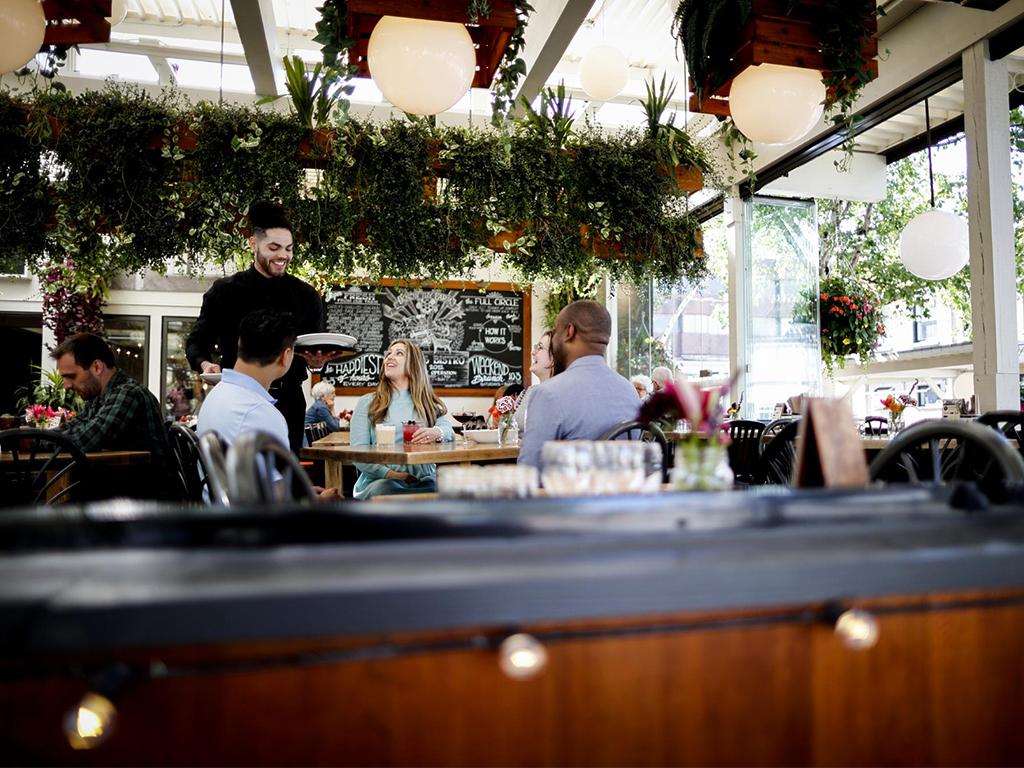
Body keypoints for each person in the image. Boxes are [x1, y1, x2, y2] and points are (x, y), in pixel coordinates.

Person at [186, 202, 324, 454]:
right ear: (253, 244)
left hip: (288, 400)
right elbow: (197, 342)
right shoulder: (225, 292)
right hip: (237, 398)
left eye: (289, 249)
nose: (283, 255)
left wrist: (316, 361)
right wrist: (205, 364)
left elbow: (313, 346)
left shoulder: (306, 296)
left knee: (283, 474)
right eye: (274, 247)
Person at [198, 310, 339, 501]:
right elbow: (277, 503)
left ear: (240, 344)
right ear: (286, 355)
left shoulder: (216, 394)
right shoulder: (260, 412)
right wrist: (318, 502)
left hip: (217, 510)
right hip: (252, 524)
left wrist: (300, 490)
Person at [518, 301, 639, 469]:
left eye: (556, 331)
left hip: (571, 492)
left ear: (569, 331)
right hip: (624, 491)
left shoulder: (549, 393)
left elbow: (529, 469)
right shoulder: (630, 391)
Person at [52, 332, 172, 498]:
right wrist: (38, 437)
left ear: (97, 367)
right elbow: (74, 426)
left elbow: (85, 440)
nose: (66, 386)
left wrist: (36, 442)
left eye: (71, 376)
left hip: (143, 499)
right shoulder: (99, 398)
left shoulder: (128, 393)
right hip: (119, 491)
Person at [349, 339, 457, 499]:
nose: (389, 357)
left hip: (425, 480)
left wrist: (437, 432)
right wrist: (393, 475)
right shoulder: (368, 402)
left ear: (414, 364)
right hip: (382, 481)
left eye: (399, 353)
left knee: (453, 492)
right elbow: (358, 454)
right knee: (387, 490)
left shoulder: (428, 403)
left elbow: (449, 431)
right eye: (389, 354)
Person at [514, 330, 554, 432]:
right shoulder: (526, 393)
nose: (532, 352)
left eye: (540, 347)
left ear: (554, 357)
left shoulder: (561, 395)